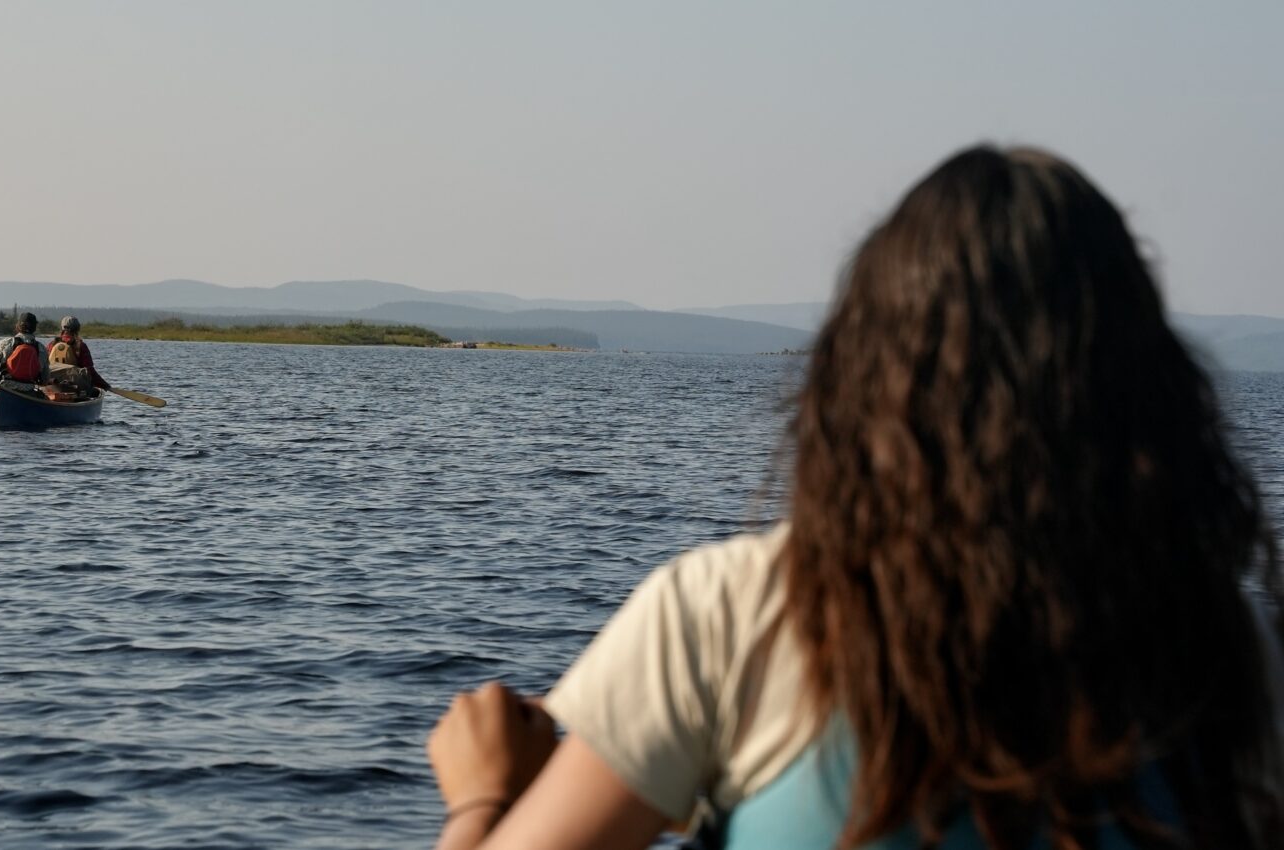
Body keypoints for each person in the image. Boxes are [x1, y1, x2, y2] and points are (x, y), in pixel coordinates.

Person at [426, 146, 1284, 850]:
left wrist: (481, 797)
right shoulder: (1232, 657)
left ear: (862, 376)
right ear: (1150, 388)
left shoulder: (732, 613)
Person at [0, 311, 49, 403]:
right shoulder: (42, 349)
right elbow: (44, 380)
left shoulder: (6, 343)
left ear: (18, 326)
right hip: (29, 393)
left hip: (6, 391)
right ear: (34, 328)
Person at [45, 315, 111, 397]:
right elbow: (90, 372)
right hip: (74, 387)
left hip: (52, 385)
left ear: (62, 328)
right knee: (96, 392)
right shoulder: (81, 346)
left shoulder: (51, 345)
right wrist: (105, 385)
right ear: (77, 329)